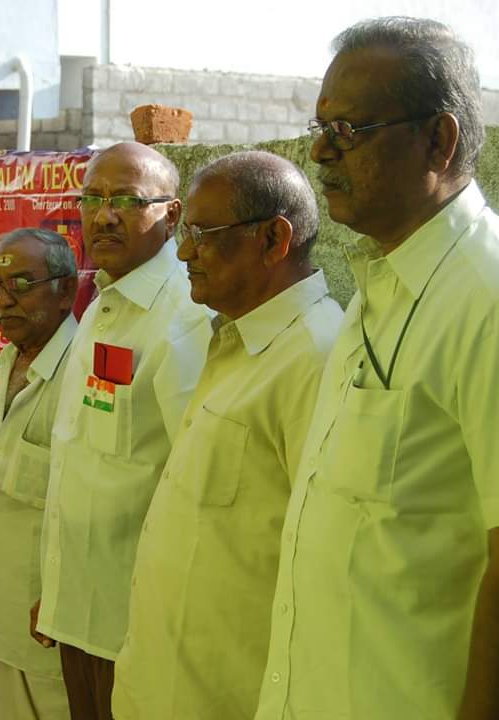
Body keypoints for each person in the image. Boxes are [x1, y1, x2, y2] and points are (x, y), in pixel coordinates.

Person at [255, 17, 499, 720]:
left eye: (347, 130)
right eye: (320, 127)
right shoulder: (380, 282)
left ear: (439, 140)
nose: (319, 151)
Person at [111, 151, 343, 720]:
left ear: (273, 240)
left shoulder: (315, 357)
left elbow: (325, 570)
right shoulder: (234, 339)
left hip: (228, 697)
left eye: (203, 235)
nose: (183, 253)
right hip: (164, 683)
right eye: (186, 234)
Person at [30, 142, 212, 720]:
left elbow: (194, 484)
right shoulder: (106, 303)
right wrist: (56, 588)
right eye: (93, 198)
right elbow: (86, 464)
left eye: (128, 201)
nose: (104, 216)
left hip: (138, 621)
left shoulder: (184, 316)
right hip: (80, 608)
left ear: (172, 215)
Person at [0, 228, 78, 720]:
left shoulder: (83, 371)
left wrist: (62, 591)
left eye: (22, 285)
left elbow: (99, 502)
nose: (4, 301)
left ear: (66, 290)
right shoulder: (10, 359)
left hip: (50, 623)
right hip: (2, 610)